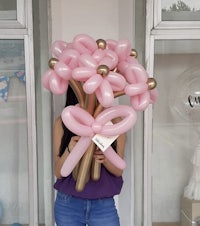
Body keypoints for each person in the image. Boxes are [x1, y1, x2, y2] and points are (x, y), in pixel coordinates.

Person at [53, 85, 126, 226]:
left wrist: (105, 157)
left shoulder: (116, 122)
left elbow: (118, 170)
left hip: (103, 206)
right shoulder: (62, 122)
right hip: (68, 204)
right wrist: (70, 149)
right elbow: (58, 172)